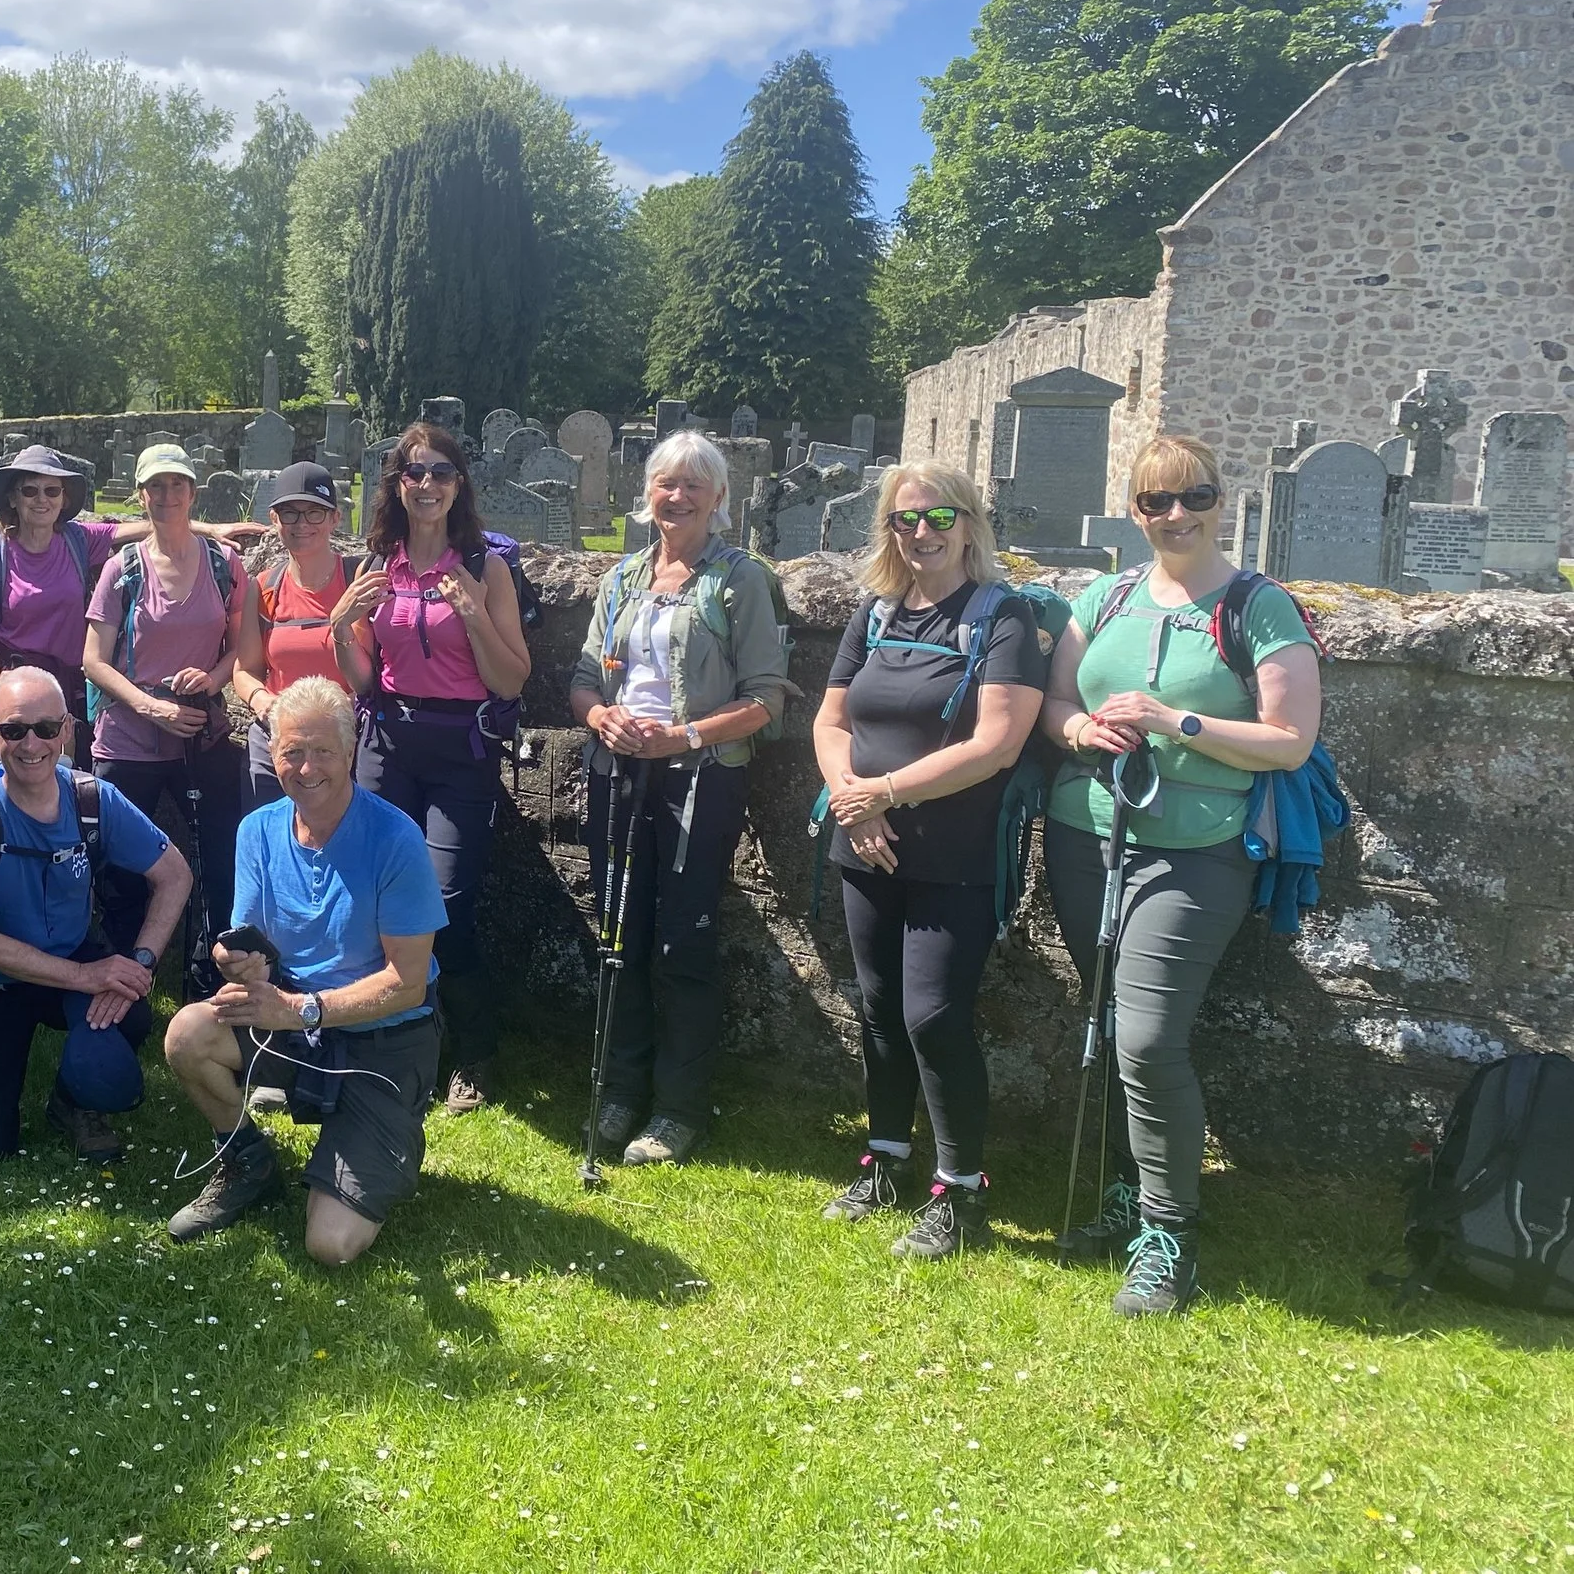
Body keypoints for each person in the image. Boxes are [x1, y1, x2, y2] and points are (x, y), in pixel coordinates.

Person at [1038, 434, 1321, 1318]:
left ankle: (1169, 1236)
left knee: (1150, 1036)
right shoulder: (1107, 593)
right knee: (1110, 1018)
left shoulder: (1258, 605)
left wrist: (1176, 721)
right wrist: (1085, 732)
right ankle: (1126, 1190)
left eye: (1193, 496)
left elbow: (1291, 739)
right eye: (1156, 502)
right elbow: (1056, 702)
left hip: (1196, 849)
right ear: (1136, 510)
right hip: (1087, 833)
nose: (1176, 515)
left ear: (1219, 499)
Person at [812, 462, 1045, 1252]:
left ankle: (961, 1190)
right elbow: (831, 719)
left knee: (934, 1017)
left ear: (970, 524)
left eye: (939, 518)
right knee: (877, 1011)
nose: (922, 533)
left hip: (957, 855)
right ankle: (887, 1157)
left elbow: (997, 743)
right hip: (864, 843)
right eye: (906, 520)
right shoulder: (874, 613)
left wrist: (883, 791)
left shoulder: (1000, 616)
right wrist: (852, 794)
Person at [565, 431, 790, 1165]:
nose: (678, 496)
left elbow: (767, 700)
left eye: (695, 484)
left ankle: (679, 1107)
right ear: (648, 493)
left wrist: (684, 735)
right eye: (667, 483)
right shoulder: (623, 578)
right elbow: (584, 680)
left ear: (719, 497)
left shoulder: (738, 579)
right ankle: (621, 1091)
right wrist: (602, 716)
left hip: (700, 778)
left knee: (681, 943)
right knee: (619, 935)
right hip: (619, 771)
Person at [163, 677, 444, 1263]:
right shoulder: (257, 831)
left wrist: (299, 1010)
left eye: (322, 750)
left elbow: (407, 982)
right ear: (272, 750)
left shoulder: (396, 839)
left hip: (382, 1038)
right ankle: (247, 1162)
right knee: (187, 1033)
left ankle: (386, 1130)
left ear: (351, 750)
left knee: (331, 1246)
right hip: (294, 1017)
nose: (306, 766)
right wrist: (236, 960)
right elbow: (253, 946)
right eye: (292, 751)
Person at [0, 667, 194, 1162]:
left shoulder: (93, 799)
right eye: (15, 730)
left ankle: (71, 1103)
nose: (31, 744)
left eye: (46, 728)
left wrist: (140, 962)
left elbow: (175, 874)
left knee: (129, 1011)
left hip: (65, 953)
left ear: (67, 730)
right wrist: (87, 975)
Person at [335, 422, 532, 1113]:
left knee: (446, 903)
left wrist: (475, 616)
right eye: (414, 472)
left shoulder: (485, 567)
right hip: (388, 740)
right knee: (374, 890)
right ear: (397, 483)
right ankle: (389, 1033)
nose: (426, 484)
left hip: (460, 748)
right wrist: (337, 629)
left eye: (441, 472)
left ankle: (473, 1048)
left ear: (459, 485)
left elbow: (510, 680)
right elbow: (363, 678)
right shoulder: (378, 563)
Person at [82, 443, 250, 993]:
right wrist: (150, 706)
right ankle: (124, 979)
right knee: (120, 867)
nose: (167, 496)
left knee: (216, 858)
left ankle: (206, 982)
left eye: (177, 485)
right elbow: (92, 660)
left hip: (201, 736)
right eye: (155, 487)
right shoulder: (122, 569)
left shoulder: (225, 565)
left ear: (192, 493)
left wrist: (213, 679)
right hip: (128, 738)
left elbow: (243, 650)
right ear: (141, 495)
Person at [0, 445, 118, 771]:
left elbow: (153, 529)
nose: (41, 499)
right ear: (13, 498)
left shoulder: (79, 540)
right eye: (30, 490)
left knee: (65, 785)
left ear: (63, 499)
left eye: (52, 491)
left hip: (67, 688)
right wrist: (2, 693)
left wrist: (208, 530)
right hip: (12, 684)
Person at [231, 462, 365, 809]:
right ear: (274, 519)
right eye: (290, 513)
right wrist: (263, 702)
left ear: (335, 519)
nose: (302, 524)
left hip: (342, 741)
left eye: (314, 513)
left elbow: (372, 670)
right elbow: (245, 669)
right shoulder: (263, 587)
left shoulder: (356, 581)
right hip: (278, 740)